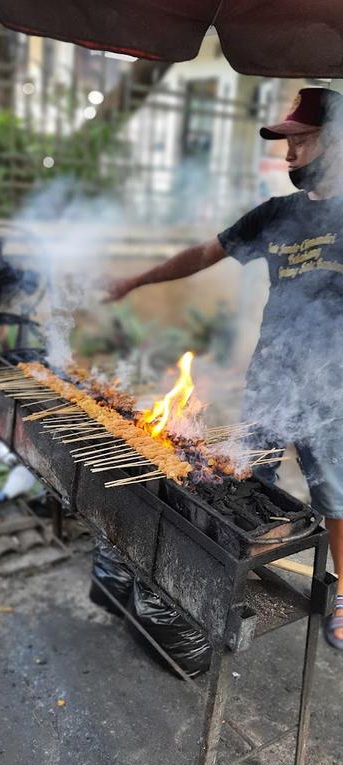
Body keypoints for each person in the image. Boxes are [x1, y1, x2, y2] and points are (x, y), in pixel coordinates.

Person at [104, 87, 343, 651]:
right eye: (288, 143)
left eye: (301, 142)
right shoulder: (278, 214)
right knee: (243, 481)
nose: (289, 156)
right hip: (273, 375)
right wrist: (136, 280)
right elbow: (204, 254)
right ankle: (230, 574)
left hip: (334, 386)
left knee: (335, 497)